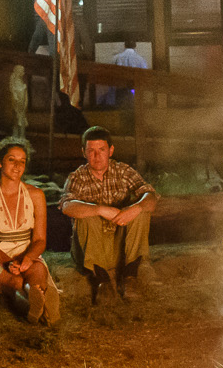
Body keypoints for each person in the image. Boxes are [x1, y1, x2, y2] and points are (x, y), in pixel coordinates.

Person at [60, 126, 158, 303]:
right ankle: (102, 282)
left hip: (120, 247)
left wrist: (135, 208)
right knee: (85, 214)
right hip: (92, 249)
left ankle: (130, 278)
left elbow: (150, 198)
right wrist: (98, 209)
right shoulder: (77, 177)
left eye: (102, 150)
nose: (96, 156)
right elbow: (67, 206)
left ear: (111, 150)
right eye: (91, 151)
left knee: (141, 211)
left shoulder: (122, 171)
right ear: (84, 152)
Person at [0, 137, 60, 325]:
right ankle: (38, 308)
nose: (17, 166)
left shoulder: (37, 195)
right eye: (11, 159)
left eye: (22, 161)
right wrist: (9, 262)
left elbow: (40, 240)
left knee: (36, 271)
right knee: (16, 282)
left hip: (26, 252)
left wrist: (28, 258)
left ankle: (36, 297)